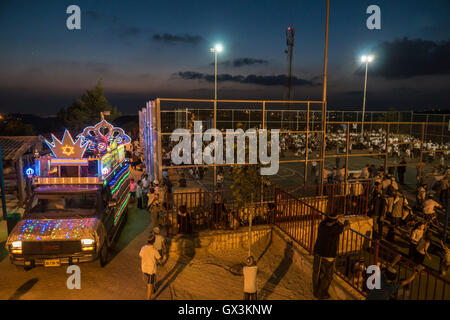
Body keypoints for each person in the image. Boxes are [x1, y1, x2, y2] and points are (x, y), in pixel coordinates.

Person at [312, 213, 350, 299]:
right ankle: (321, 294)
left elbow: (335, 224)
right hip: (328, 256)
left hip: (318, 252)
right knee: (327, 276)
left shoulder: (322, 225)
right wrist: (346, 221)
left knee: (317, 273)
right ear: (335, 221)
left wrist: (337, 219)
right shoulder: (334, 229)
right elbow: (347, 227)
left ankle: (316, 291)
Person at [139, 233, 162, 300]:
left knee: (151, 280)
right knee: (150, 282)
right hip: (151, 270)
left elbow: (140, 255)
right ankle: (148, 298)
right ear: (154, 241)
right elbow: (159, 259)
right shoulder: (154, 250)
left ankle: (152, 290)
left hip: (144, 268)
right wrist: (161, 263)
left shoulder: (143, 248)